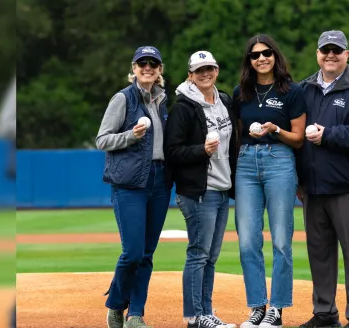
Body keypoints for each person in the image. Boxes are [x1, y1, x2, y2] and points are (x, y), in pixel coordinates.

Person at [295, 30, 349, 328]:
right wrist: (298, 179)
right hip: (313, 188)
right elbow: (294, 135)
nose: (330, 55)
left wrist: (329, 136)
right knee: (319, 254)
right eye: (325, 50)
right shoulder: (304, 88)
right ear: (317, 54)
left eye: (337, 50)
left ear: (347, 54)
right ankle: (325, 313)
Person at [232, 34, 307, 328]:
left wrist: (276, 129)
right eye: (255, 55)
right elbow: (238, 134)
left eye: (266, 53)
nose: (261, 58)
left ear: (275, 55)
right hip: (247, 162)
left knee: (280, 240)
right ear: (248, 61)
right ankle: (257, 307)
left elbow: (299, 139)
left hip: (279, 160)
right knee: (248, 241)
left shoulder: (291, 91)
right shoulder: (241, 93)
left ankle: (276, 309)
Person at [96, 46, 171, 328]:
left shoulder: (163, 100)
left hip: (159, 180)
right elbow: (102, 139)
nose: (148, 67)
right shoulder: (122, 98)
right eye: (143, 63)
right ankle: (116, 305)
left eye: (153, 63)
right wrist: (130, 135)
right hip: (129, 182)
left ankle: (136, 314)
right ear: (134, 68)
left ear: (160, 69)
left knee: (147, 253)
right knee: (133, 253)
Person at [164, 50, 239, 328]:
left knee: (211, 256)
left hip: (221, 189)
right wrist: (201, 151)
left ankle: (206, 313)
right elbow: (172, 152)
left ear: (217, 71)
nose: (205, 74)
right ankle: (195, 317)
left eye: (209, 68)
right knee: (198, 253)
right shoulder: (183, 108)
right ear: (190, 76)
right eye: (199, 70)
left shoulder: (224, 102)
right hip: (197, 191)